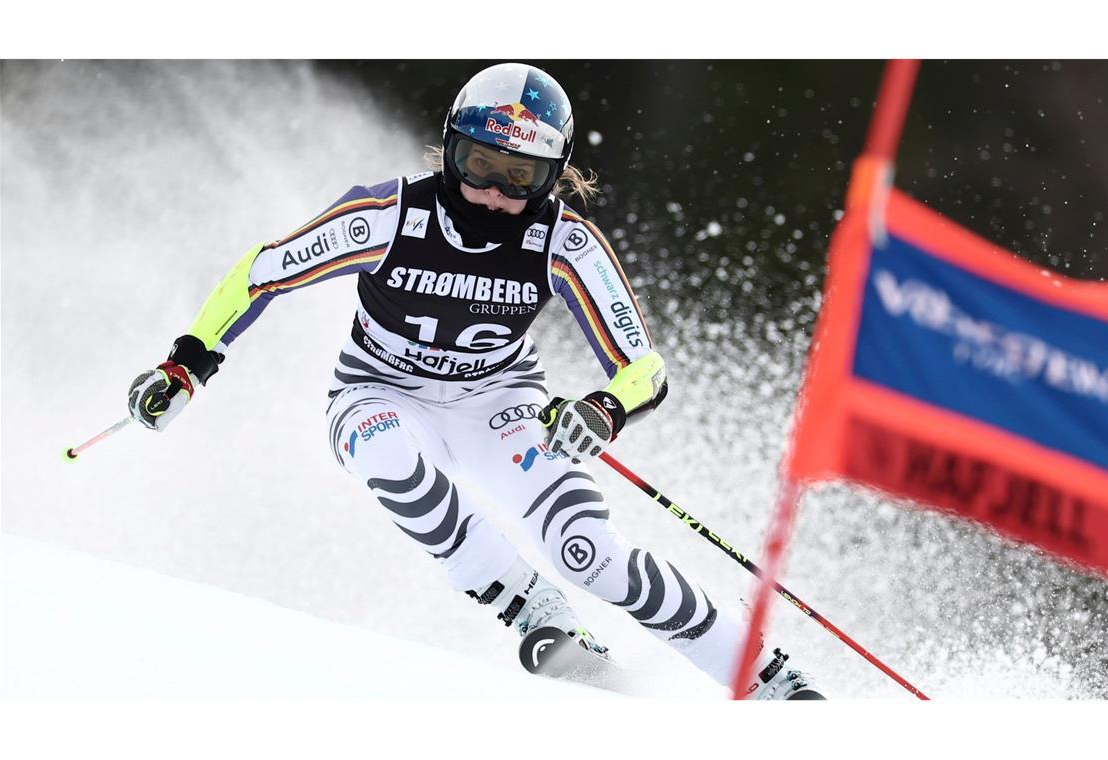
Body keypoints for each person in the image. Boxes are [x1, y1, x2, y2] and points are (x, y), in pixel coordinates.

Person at [126, 62, 824, 699]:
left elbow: (644, 366)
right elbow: (263, 270)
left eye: (520, 178)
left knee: (589, 556)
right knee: (389, 456)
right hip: (377, 391)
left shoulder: (564, 241)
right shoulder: (390, 215)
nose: (491, 192)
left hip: (500, 402)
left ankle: (768, 680)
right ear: (449, 147)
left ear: (552, 177)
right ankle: (536, 611)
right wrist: (187, 364)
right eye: (477, 164)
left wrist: (604, 409)